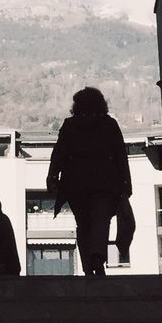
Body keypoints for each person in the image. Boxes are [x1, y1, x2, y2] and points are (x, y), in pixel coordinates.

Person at [47, 86, 130, 277]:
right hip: (105, 182)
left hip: (76, 183)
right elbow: (120, 156)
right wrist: (126, 185)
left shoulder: (70, 125)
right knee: (101, 221)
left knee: (83, 224)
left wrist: (52, 177)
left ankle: (87, 267)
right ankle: (98, 259)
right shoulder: (109, 124)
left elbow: (58, 153)